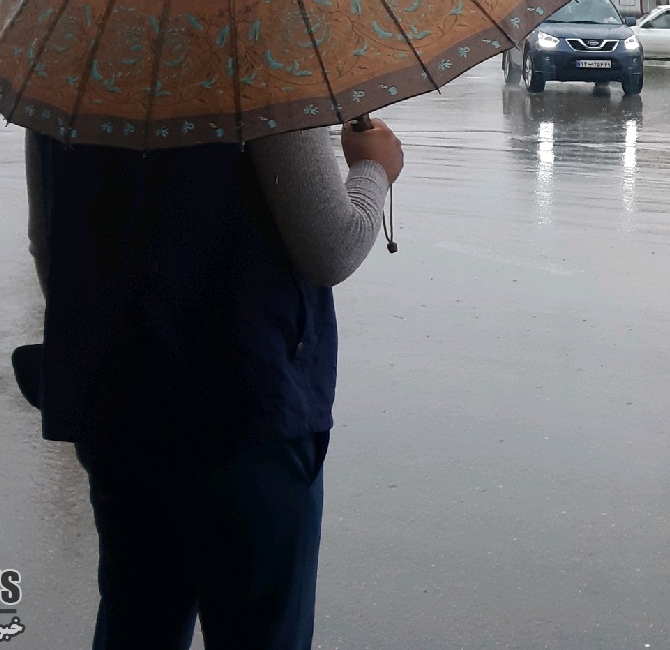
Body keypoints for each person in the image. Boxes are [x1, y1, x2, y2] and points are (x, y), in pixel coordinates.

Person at [25, 120, 403, 650]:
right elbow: (331, 246)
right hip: (249, 410)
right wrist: (374, 167)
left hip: (120, 406)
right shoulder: (259, 56)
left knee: (137, 621)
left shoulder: (70, 65)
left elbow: (51, 253)